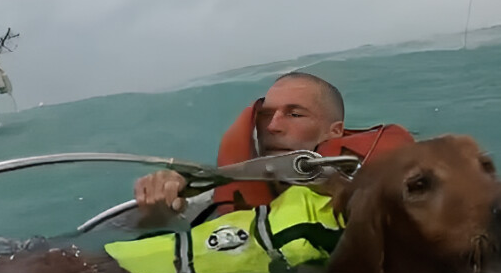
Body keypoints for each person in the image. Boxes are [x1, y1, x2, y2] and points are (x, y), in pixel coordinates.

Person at [132, 72, 346, 226]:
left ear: (334, 131)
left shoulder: (366, 188)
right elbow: (136, 229)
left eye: (295, 114)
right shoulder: (214, 197)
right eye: (265, 115)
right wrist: (158, 208)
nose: (272, 126)